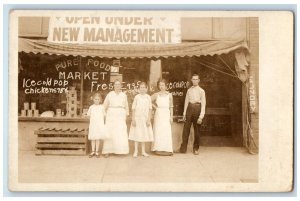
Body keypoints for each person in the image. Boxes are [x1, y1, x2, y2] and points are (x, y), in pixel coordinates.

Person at [175, 74, 206, 155]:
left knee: (197, 131)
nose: (195, 80)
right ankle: (183, 149)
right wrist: (184, 113)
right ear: (191, 80)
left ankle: (196, 149)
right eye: (193, 79)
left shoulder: (201, 91)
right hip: (189, 109)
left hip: (197, 109)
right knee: (186, 130)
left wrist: (201, 116)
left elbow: (203, 104)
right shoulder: (189, 90)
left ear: (199, 80)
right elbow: (186, 102)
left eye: (196, 79)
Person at [102, 80, 129, 158]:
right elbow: (104, 105)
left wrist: (126, 115)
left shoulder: (124, 95)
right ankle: (107, 151)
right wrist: (105, 115)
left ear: (121, 86)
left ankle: (120, 151)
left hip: (121, 114)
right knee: (110, 132)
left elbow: (126, 106)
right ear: (113, 86)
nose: (117, 86)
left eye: (119, 84)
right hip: (111, 114)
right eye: (116, 84)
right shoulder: (110, 94)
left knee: (120, 132)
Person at [129, 82, 154, 157]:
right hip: (137, 118)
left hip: (145, 118)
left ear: (146, 89)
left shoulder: (148, 97)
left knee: (144, 134)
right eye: (141, 87)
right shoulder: (137, 97)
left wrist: (149, 119)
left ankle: (143, 151)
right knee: (137, 134)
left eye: (144, 87)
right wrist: (133, 119)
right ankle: (136, 151)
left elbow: (150, 108)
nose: (142, 89)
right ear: (139, 89)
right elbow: (133, 108)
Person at [151, 79, 174, 156]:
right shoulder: (156, 94)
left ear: (166, 85)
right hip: (159, 114)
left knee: (166, 131)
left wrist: (171, 117)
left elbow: (171, 107)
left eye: (163, 85)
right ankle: (158, 148)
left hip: (166, 113)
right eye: (160, 85)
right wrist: (156, 107)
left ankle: (167, 149)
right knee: (158, 130)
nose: (161, 87)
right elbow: (148, 100)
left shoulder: (169, 95)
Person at [86, 93, 108, 158]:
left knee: (97, 138)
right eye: (95, 99)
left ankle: (97, 151)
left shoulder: (102, 107)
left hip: (99, 124)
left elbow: (104, 115)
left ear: (100, 100)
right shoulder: (91, 107)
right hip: (93, 124)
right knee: (93, 138)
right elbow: (88, 115)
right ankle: (93, 151)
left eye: (98, 99)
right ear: (93, 100)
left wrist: (102, 123)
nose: (97, 100)